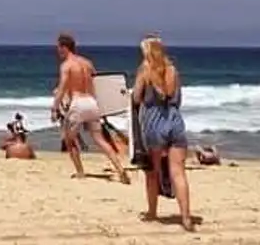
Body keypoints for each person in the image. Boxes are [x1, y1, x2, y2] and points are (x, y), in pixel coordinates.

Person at [51, 32, 130, 183]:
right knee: (100, 139)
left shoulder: (66, 65)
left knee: (69, 139)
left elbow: (62, 88)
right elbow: (97, 83)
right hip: (92, 103)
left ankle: (80, 172)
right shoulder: (87, 63)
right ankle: (120, 169)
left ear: (64, 48)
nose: (57, 52)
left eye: (58, 48)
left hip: (78, 103)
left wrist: (55, 108)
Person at [135, 36, 194, 231]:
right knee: (178, 172)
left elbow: (136, 97)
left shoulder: (145, 69)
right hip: (175, 120)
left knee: (152, 172)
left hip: (154, 122)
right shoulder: (173, 70)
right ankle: (186, 217)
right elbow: (178, 99)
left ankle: (152, 212)